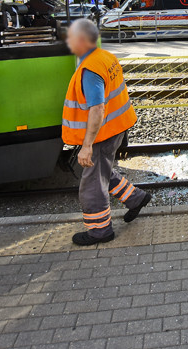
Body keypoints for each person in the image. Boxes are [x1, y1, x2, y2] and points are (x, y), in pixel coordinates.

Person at [63, 19, 152, 246]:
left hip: (103, 133)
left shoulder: (90, 70)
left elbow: (98, 108)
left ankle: (100, 231)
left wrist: (86, 145)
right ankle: (136, 199)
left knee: (91, 184)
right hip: (116, 126)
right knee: (101, 171)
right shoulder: (104, 56)